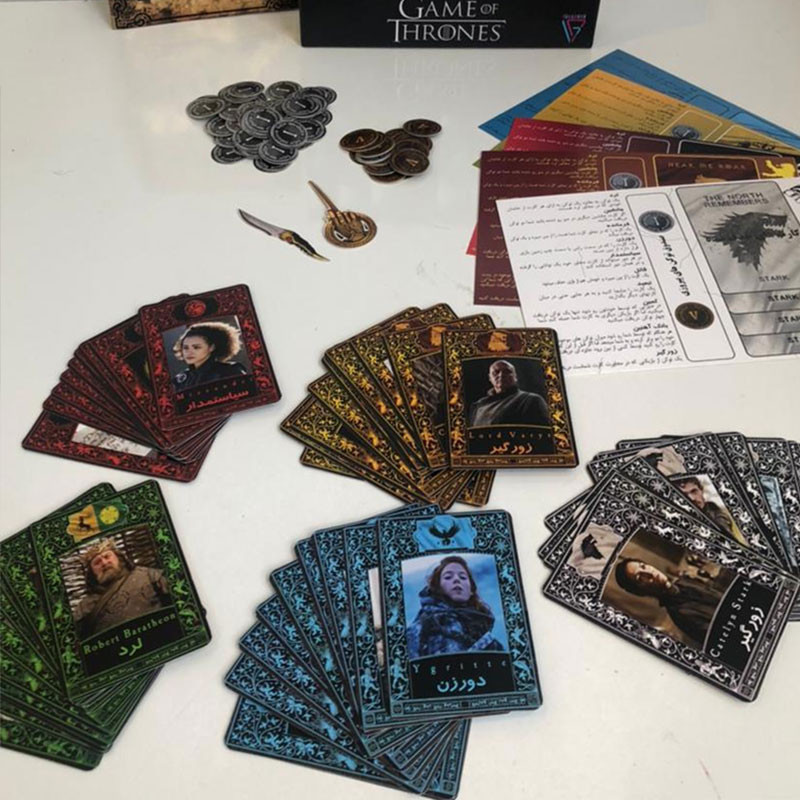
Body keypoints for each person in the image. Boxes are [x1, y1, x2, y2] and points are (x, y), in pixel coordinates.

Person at [614, 557, 726, 647]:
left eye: (643, 566)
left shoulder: (684, 581)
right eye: (640, 577)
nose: (649, 573)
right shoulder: (680, 613)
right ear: (641, 592)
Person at [406, 555, 503, 659]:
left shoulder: (483, 628)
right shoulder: (420, 627)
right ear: (437, 587)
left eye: (463, 577)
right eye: (448, 577)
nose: (456, 579)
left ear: (471, 590)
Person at [73, 539, 171, 638]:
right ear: (92, 573)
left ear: (119, 558)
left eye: (107, 556)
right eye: (97, 562)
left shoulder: (147, 575)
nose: (104, 563)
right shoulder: (85, 606)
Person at [467, 360, 550, 427]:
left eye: (507, 371)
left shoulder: (531, 400)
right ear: (490, 378)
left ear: (515, 377)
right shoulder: (478, 405)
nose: (501, 375)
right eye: (496, 372)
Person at [171, 321, 248, 390]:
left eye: (196, 347)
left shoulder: (230, 371)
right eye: (185, 348)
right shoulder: (179, 380)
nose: (189, 352)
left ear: (211, 347)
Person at [675, 476, 747, 545]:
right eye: (684, 495)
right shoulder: (677, 519)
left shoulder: (717, 515)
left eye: (694, 491)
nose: (692, 498)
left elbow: (728, 541)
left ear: (701, 490)